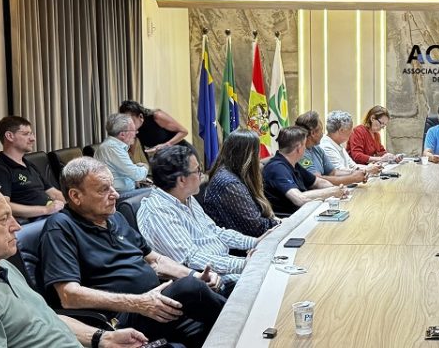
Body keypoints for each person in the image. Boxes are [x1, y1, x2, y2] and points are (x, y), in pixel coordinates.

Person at [0, 178, 148, 348]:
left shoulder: (1, 265)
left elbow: (45, 318)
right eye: (4, 218)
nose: (16, 226)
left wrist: (102, 338)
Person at [39, 157, 226, 348]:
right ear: (76, 196)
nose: (115, 195)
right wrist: (139, 303)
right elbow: (68, 295)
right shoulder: (60, 227)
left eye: (112, 187)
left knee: (219, 293)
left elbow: (155, 261)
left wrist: (196, 274)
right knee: (189, 287)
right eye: (104, 190)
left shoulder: (116, 218)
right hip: (121, 319)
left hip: (155, 306)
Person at [138, 146, 270, 284]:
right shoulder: (158, 211)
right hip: (206, 279)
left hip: (223, 265)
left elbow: (215, 231)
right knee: (269, 279)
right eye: (197, 171)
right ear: (182, 180)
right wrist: (244, 264)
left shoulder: (186, 197)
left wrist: (255, 242)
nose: (201, 175)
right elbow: (191, 259)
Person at [201, 129, 282, 237]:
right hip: (240, 244)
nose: (259, 158)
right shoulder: (229, 184)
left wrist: (278, 221)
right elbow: (257, 228)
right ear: (249, 155)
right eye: (258, 152)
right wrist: (282, 223)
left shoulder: (233, 173)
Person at [0, 116, 66, 222]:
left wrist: (76, 206)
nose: (33, 139)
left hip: (53, 216)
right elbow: (4, 205)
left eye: (31, 134)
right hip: (38, 221)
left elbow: (54, 193)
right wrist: (45, 210)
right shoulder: (0, 170)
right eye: (26, 134)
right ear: (9, 136)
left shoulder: (29, 164)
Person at [262, 126, 346, 215]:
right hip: (289, 219)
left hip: (302, 213)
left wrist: (337, 189)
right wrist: (331, 192)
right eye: (304, 145)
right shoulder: (277, 168)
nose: (305, 149)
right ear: (298, 148)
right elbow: (300, 199)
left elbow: (318, 182)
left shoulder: (293, 164)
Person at [295, 111, 366, 186]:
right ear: (313, 133)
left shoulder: (317, 148)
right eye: (321, 130)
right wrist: (353, 178)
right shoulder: (301, 152)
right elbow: (316, 180)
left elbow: (333, 172)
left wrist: (355, 173)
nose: (323, 134)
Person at [93, 113, 151, 198]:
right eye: (134, 130)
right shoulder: (112, 147)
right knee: (155, 193)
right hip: (117, 195)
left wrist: (136, 170)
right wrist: (145, 167)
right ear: (122, 134)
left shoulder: (114, 146)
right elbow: (137, 175)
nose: (136, 133)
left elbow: (129, 172)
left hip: (125, 191)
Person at [320, 110, 383, 175]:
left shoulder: (337, 143)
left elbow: (353, 166)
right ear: (341, 130)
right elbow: (339, 172)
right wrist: (366, 170)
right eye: (350, 128)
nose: (352, 132)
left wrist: (371, 167)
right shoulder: (326, 146)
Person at [119, 100, 190, 155]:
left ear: (140, 116)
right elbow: (131, 152)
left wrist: (166, 145)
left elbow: (184, 131)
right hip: (163, 161)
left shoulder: (157, 116)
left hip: (181, 153)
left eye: (132, 121)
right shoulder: (133, 130)